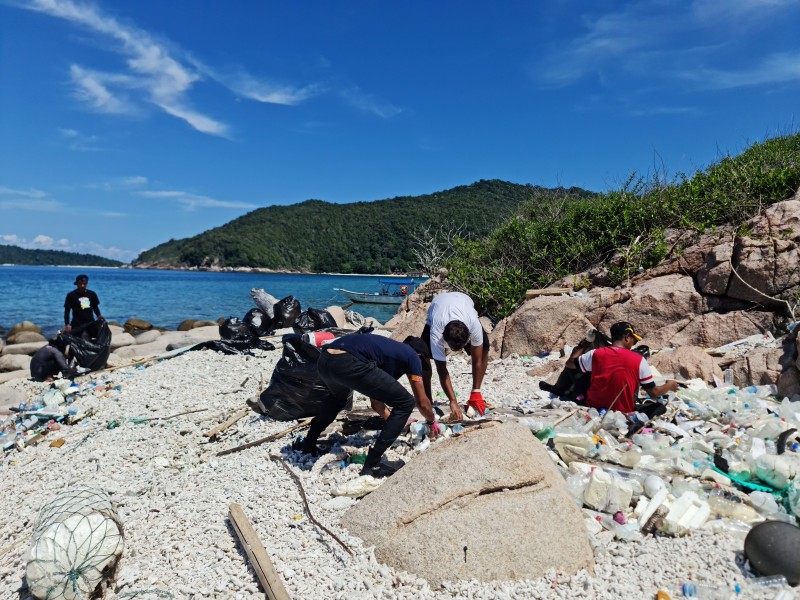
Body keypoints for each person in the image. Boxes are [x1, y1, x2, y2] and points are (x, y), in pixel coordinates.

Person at [293, 334, 440, 478]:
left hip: (325, 359)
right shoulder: (412, 356)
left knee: (337, 399)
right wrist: (432, 421)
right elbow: (422, 403)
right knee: (406, 402)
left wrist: (397, 423)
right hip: (347, 361)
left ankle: (308, 442)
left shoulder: (389, 350)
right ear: (420, 355)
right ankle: (373, 464)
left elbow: (376, 402)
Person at [566, 321, 679, 414]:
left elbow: (569, 363)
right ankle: (634, 423)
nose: (633, 343)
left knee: (584, 372)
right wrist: (669, 385)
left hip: (593, 408)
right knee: (660, 407)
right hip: (622, 412)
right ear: (626, 338)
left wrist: (586, 342)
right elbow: (654, 393)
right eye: (633, 339)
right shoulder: (639, 360)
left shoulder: (595, 354)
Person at [421, 291, 489, 420]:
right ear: (443, 339)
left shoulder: (473, 325)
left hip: (464, 301)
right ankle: (427, 399)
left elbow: (477, 360)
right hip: (438, 305)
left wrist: (476, 392)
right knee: (422, 355)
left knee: (484, 348)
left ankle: (475, 395)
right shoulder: (437, 331)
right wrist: (453, 401)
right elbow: (441, 370)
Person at [63, 274, 103, 339]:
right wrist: (67, 324)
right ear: (76, 283)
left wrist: (99, 316)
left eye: (84, 284)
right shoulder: (71, 295)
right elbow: (67, 311)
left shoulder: (92, 294)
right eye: (80, 284)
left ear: (87, 283)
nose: (82, 286)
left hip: (90, 323)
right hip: (76, 324)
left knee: (94, 341)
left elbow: (95, 307)